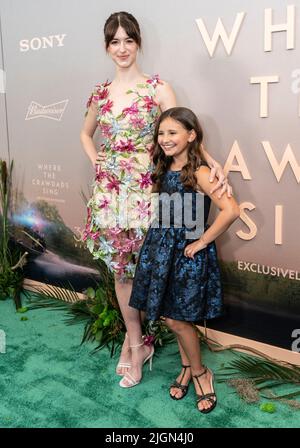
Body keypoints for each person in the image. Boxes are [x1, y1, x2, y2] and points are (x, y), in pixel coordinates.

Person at [80, 12, 232, 383]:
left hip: (152, 189)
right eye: (114, 41)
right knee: (121, 268)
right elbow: (86, 134)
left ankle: (174, 346)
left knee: (153, 262)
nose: (122, 48)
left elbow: (182, 131)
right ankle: (136, 343)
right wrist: (96, 159)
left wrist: (213, 165)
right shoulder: (100, 93)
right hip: (112, 192)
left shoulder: (158, 87)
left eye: (128, 40)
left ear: (138, 43)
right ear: (106, 47)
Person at [128, 107, 240, 413]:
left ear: (191, 136)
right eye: (161, 133)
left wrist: (202, 241)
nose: (165, 139)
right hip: (162, 250)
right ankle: (187, 366)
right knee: (170, 314)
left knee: (178, 319)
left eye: (173, 132)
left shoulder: (201, 172)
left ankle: (202, 372)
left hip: (187, 254)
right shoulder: (163, 168)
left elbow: (231, 210)